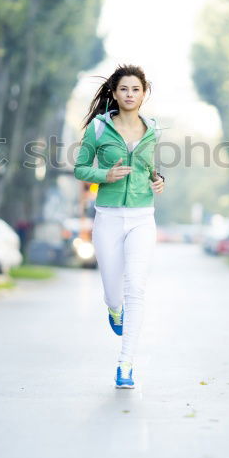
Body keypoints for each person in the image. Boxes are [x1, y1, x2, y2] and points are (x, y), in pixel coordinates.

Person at [74, 64, 165, 389]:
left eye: (136, 89)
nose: (130, 94)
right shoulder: (98, 130)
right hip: (109, 217)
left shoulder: (152, 129)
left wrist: (158, 179)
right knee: (114, 293)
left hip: (143, 218)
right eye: (124, 89)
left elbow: (149, 166)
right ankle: (114, 310)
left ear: (144, 94)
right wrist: (104, 176)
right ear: (114, 93)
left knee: (135, 289)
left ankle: (125, 364)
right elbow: (81, 168)